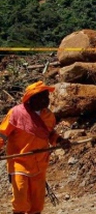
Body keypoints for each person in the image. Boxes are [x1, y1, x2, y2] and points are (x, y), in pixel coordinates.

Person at [0, 81, 71, 214]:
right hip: (19, 162)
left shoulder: (48, 116)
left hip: (39, 162)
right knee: (20, 199)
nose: (46, 100)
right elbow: (2, 134)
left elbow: (50, 134)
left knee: (37, 203)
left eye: (47, 97)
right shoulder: (16, 114)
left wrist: (60, 141)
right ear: (31, 99)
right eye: (42, 97)